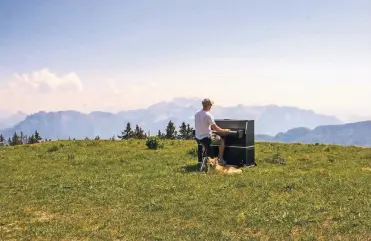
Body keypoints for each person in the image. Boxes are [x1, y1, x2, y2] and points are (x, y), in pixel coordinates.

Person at [194, 98, 230, 167]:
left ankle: (202, 160)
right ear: (208, 105)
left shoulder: (197, 113)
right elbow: (216, 128)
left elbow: (201, 125)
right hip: (206, 138)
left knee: (205, 144)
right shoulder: (208, 115)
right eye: (211, 105)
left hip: (198, 138)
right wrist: (225, 130)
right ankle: (220, 159)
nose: (211, 106)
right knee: (221, 140)